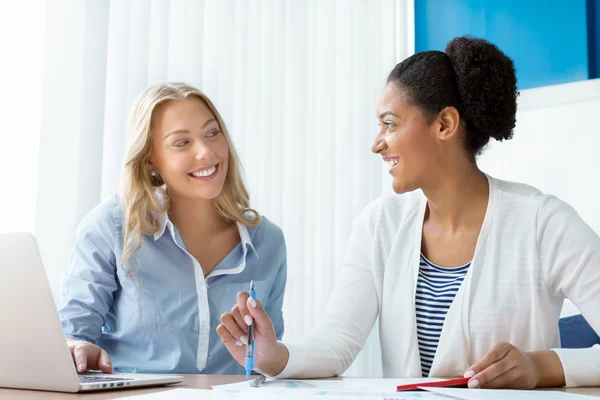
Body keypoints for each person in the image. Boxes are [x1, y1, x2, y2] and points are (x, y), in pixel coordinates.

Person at [216, 36, 600, 388]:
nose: (376, 145)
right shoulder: (380, 225)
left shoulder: (543, 223)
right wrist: (273, 356)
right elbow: (337, 341)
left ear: (445, 124)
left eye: (389, 124)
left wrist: (542, 367)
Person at [58, 83, 287, 375]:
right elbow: (73, 332)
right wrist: (75, 346)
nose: (206, 151)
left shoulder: (268, 241)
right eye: (182, 143)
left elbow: (270, 355)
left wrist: (274, 361)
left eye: (212, 133)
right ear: (150, 159)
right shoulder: (111, 226)